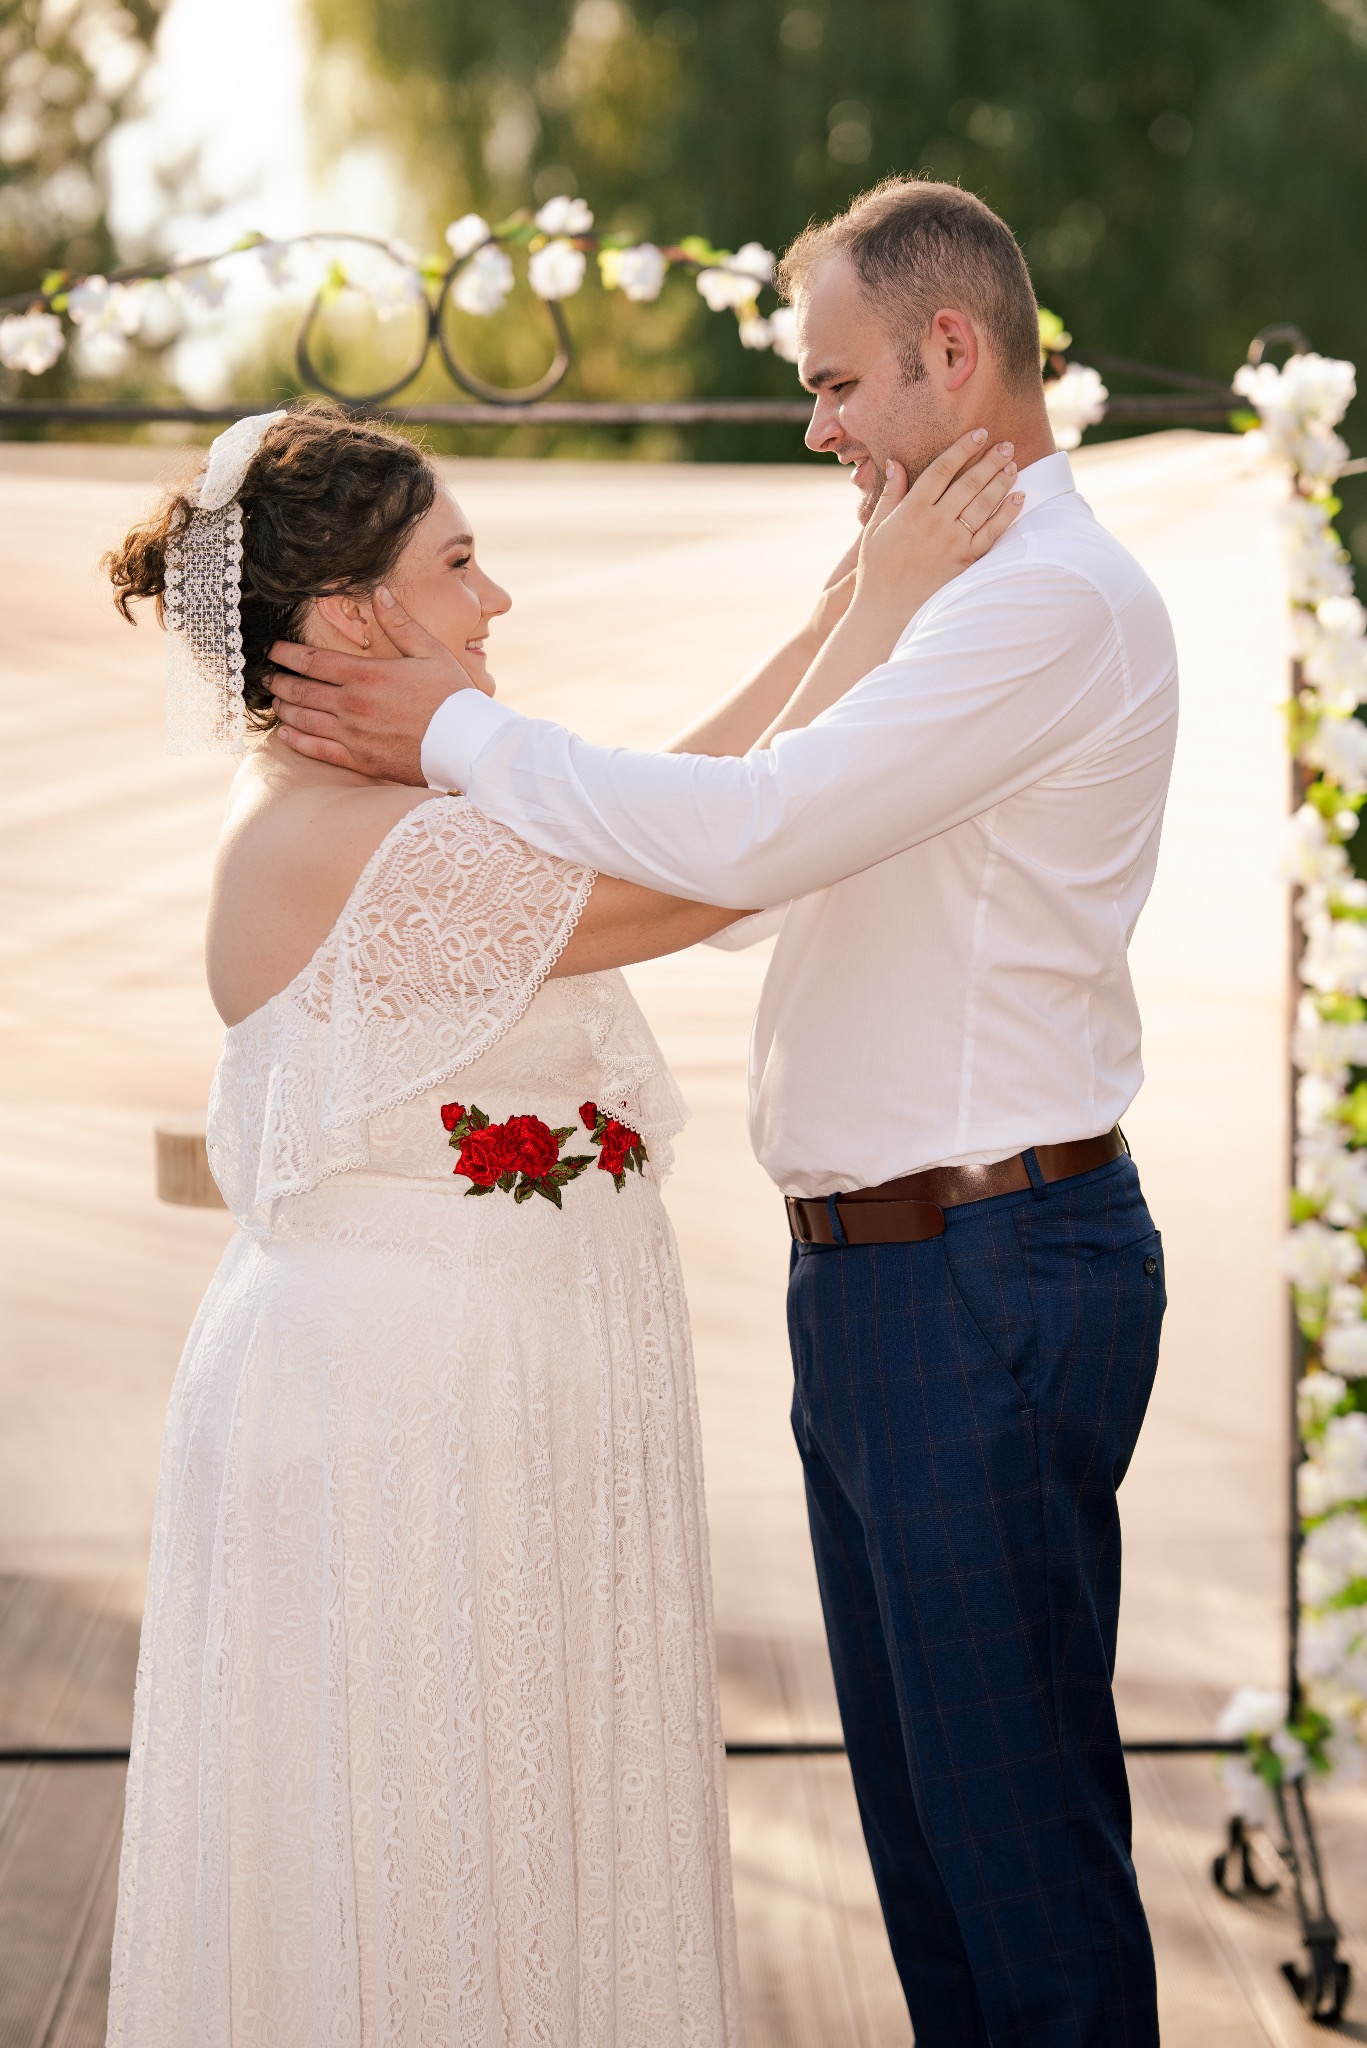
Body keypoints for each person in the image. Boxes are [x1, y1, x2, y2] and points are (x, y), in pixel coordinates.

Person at [268, 178, 1180, 2048]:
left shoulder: (1051, 611)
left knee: (1018, 1874)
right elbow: (757, 820)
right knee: (938, 1863)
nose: (819, 422)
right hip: (893, 1280)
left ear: (953, 349)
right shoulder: (950, 602)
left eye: (839, 383)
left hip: (982, 1267)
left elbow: (746, 844)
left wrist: (442, 727)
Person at [102, 399, 1018, 2047]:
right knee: (421, 1829)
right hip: (409, 1423)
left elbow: (669, 802)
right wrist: (885, 618)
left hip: (489, 1404)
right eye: (460, 564)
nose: (495, 601)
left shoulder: (416, 821)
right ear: (357, 621)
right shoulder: (351, 840)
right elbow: (715, 875)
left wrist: (834, 616)